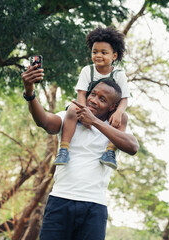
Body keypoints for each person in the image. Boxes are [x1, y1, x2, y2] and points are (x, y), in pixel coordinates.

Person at [21, 63, 138, 240]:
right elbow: (43, 121)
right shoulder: (70, 117)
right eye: (93, 94)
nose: (93, 100)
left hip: (94, 208)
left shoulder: (115, 128)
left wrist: (95, 122)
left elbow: (133, 147)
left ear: (112, 108)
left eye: (102, 99)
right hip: (60, 202)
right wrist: (30, 93)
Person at [54, 26, 130, 170]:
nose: (98, 55)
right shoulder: (87, 70)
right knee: (71, 109)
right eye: (95, 52)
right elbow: (81, 94)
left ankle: (110, 152)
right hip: (87, 105)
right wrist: (83, 112)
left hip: (107, 110)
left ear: (114, 56)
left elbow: (124, 99)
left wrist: (119, 113)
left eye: (103, 52)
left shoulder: (119, 74)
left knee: (124, 117)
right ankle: (64, 149)